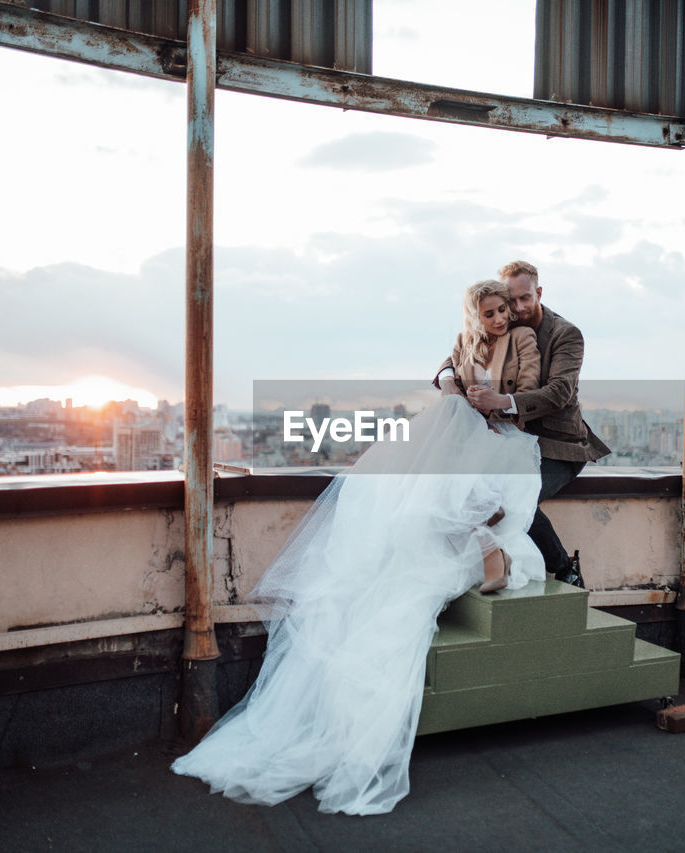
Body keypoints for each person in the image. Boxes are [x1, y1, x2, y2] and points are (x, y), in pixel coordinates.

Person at [170, 279, 545, 815]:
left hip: (501, 434)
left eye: (504, 309)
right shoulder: (465, 341)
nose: (501, 318)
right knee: (428, 479)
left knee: (453, 481)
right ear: (476, 314)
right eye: (490, 312)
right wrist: (453, 388)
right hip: (466, 429)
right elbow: (442, 373)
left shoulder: (524, 342)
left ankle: (487, 544)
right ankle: (487, 546)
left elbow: (528, 390)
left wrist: (497, 401)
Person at [444, 261, 610, 587]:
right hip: (509, 443)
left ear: (539, 292)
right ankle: (488, 568)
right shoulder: (502, 325)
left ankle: (565, 568)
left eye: (525, 299)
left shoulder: (565, 334)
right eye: (511, 301)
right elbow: (460, 350)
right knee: (468, 492)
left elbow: (559, 392)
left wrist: (502, 402)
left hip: (557, 446)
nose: (518, 308)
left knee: (515, 500)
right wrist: (448, 379)